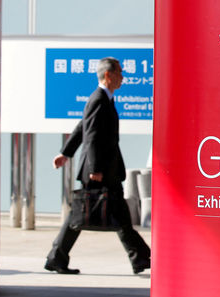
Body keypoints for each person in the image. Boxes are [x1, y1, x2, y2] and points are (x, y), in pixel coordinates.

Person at [44, 57, 151, 275]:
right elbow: (90, 135)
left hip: (106, 169)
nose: (123, 77)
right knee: (80, 216)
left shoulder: (104, 99)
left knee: (119, 215)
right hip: (98, 171)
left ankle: (141, 258)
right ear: (108, 75)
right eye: (120, 73)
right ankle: (57, 257)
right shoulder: (98, 99)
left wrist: (66, 153)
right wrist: (94, 169)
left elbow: (82, 127)